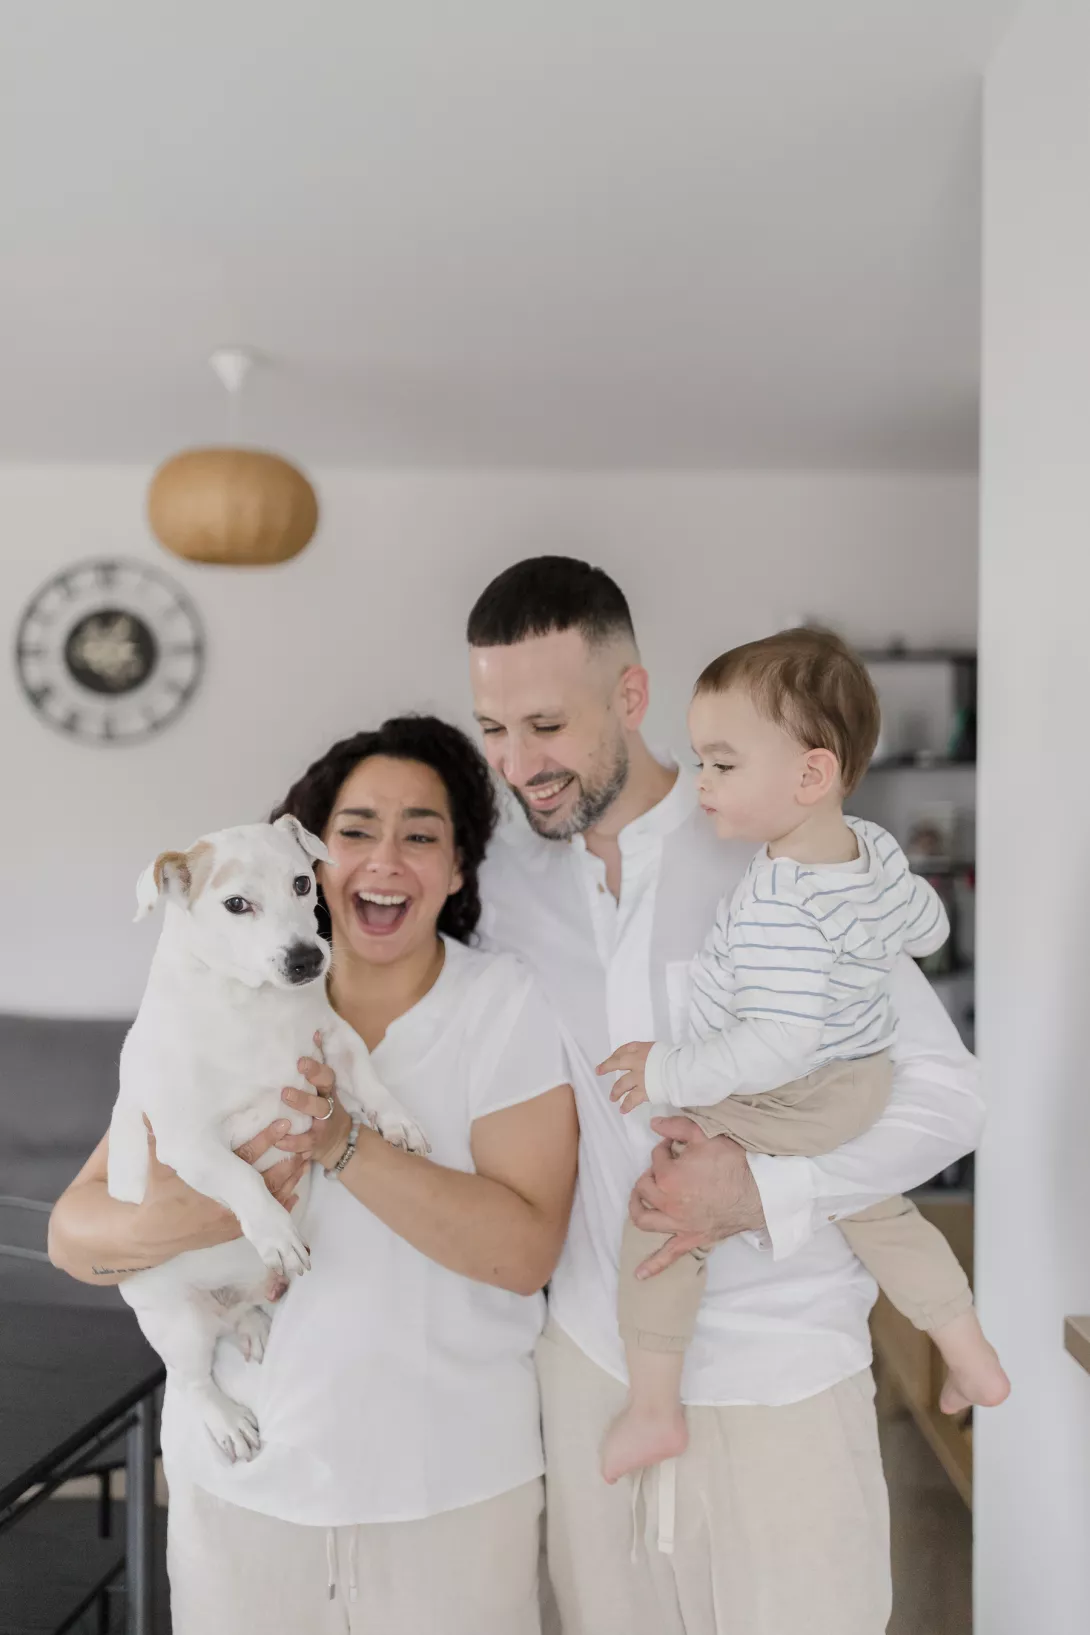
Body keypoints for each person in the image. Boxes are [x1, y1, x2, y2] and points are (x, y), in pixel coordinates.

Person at [466, 557, 985, 1635]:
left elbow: (942, 1098)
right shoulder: (502, 884)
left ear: (631, 696)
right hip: (593, 1369)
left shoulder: (783, 856)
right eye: (494, 730)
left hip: (783, 1369)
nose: (519, 764)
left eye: (546, 727)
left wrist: (760, 1192)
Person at [48, 715, 578, 1635]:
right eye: (355, 830)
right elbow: (75, 1235)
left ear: (458, 869)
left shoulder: (503, 1005)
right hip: (249, 1491)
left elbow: (525, 1251)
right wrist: (210, 1213)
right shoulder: (215, 1018)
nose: (383, 858)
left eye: (421, 834)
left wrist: (341, 1142)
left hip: (450, 1490)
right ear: (314, 859)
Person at [596, 627, 1008, 1483]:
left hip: (796, 1091)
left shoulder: (781, 897)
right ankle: (968, 1352)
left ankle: (651, 1408)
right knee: (884, 1213)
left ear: (810, 775)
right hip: (862, 1082)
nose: (700, 782)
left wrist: (663, 1070)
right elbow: (927, 928)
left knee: (666, 1211)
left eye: (721, 763)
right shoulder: (872, 849)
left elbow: (777, 1042)